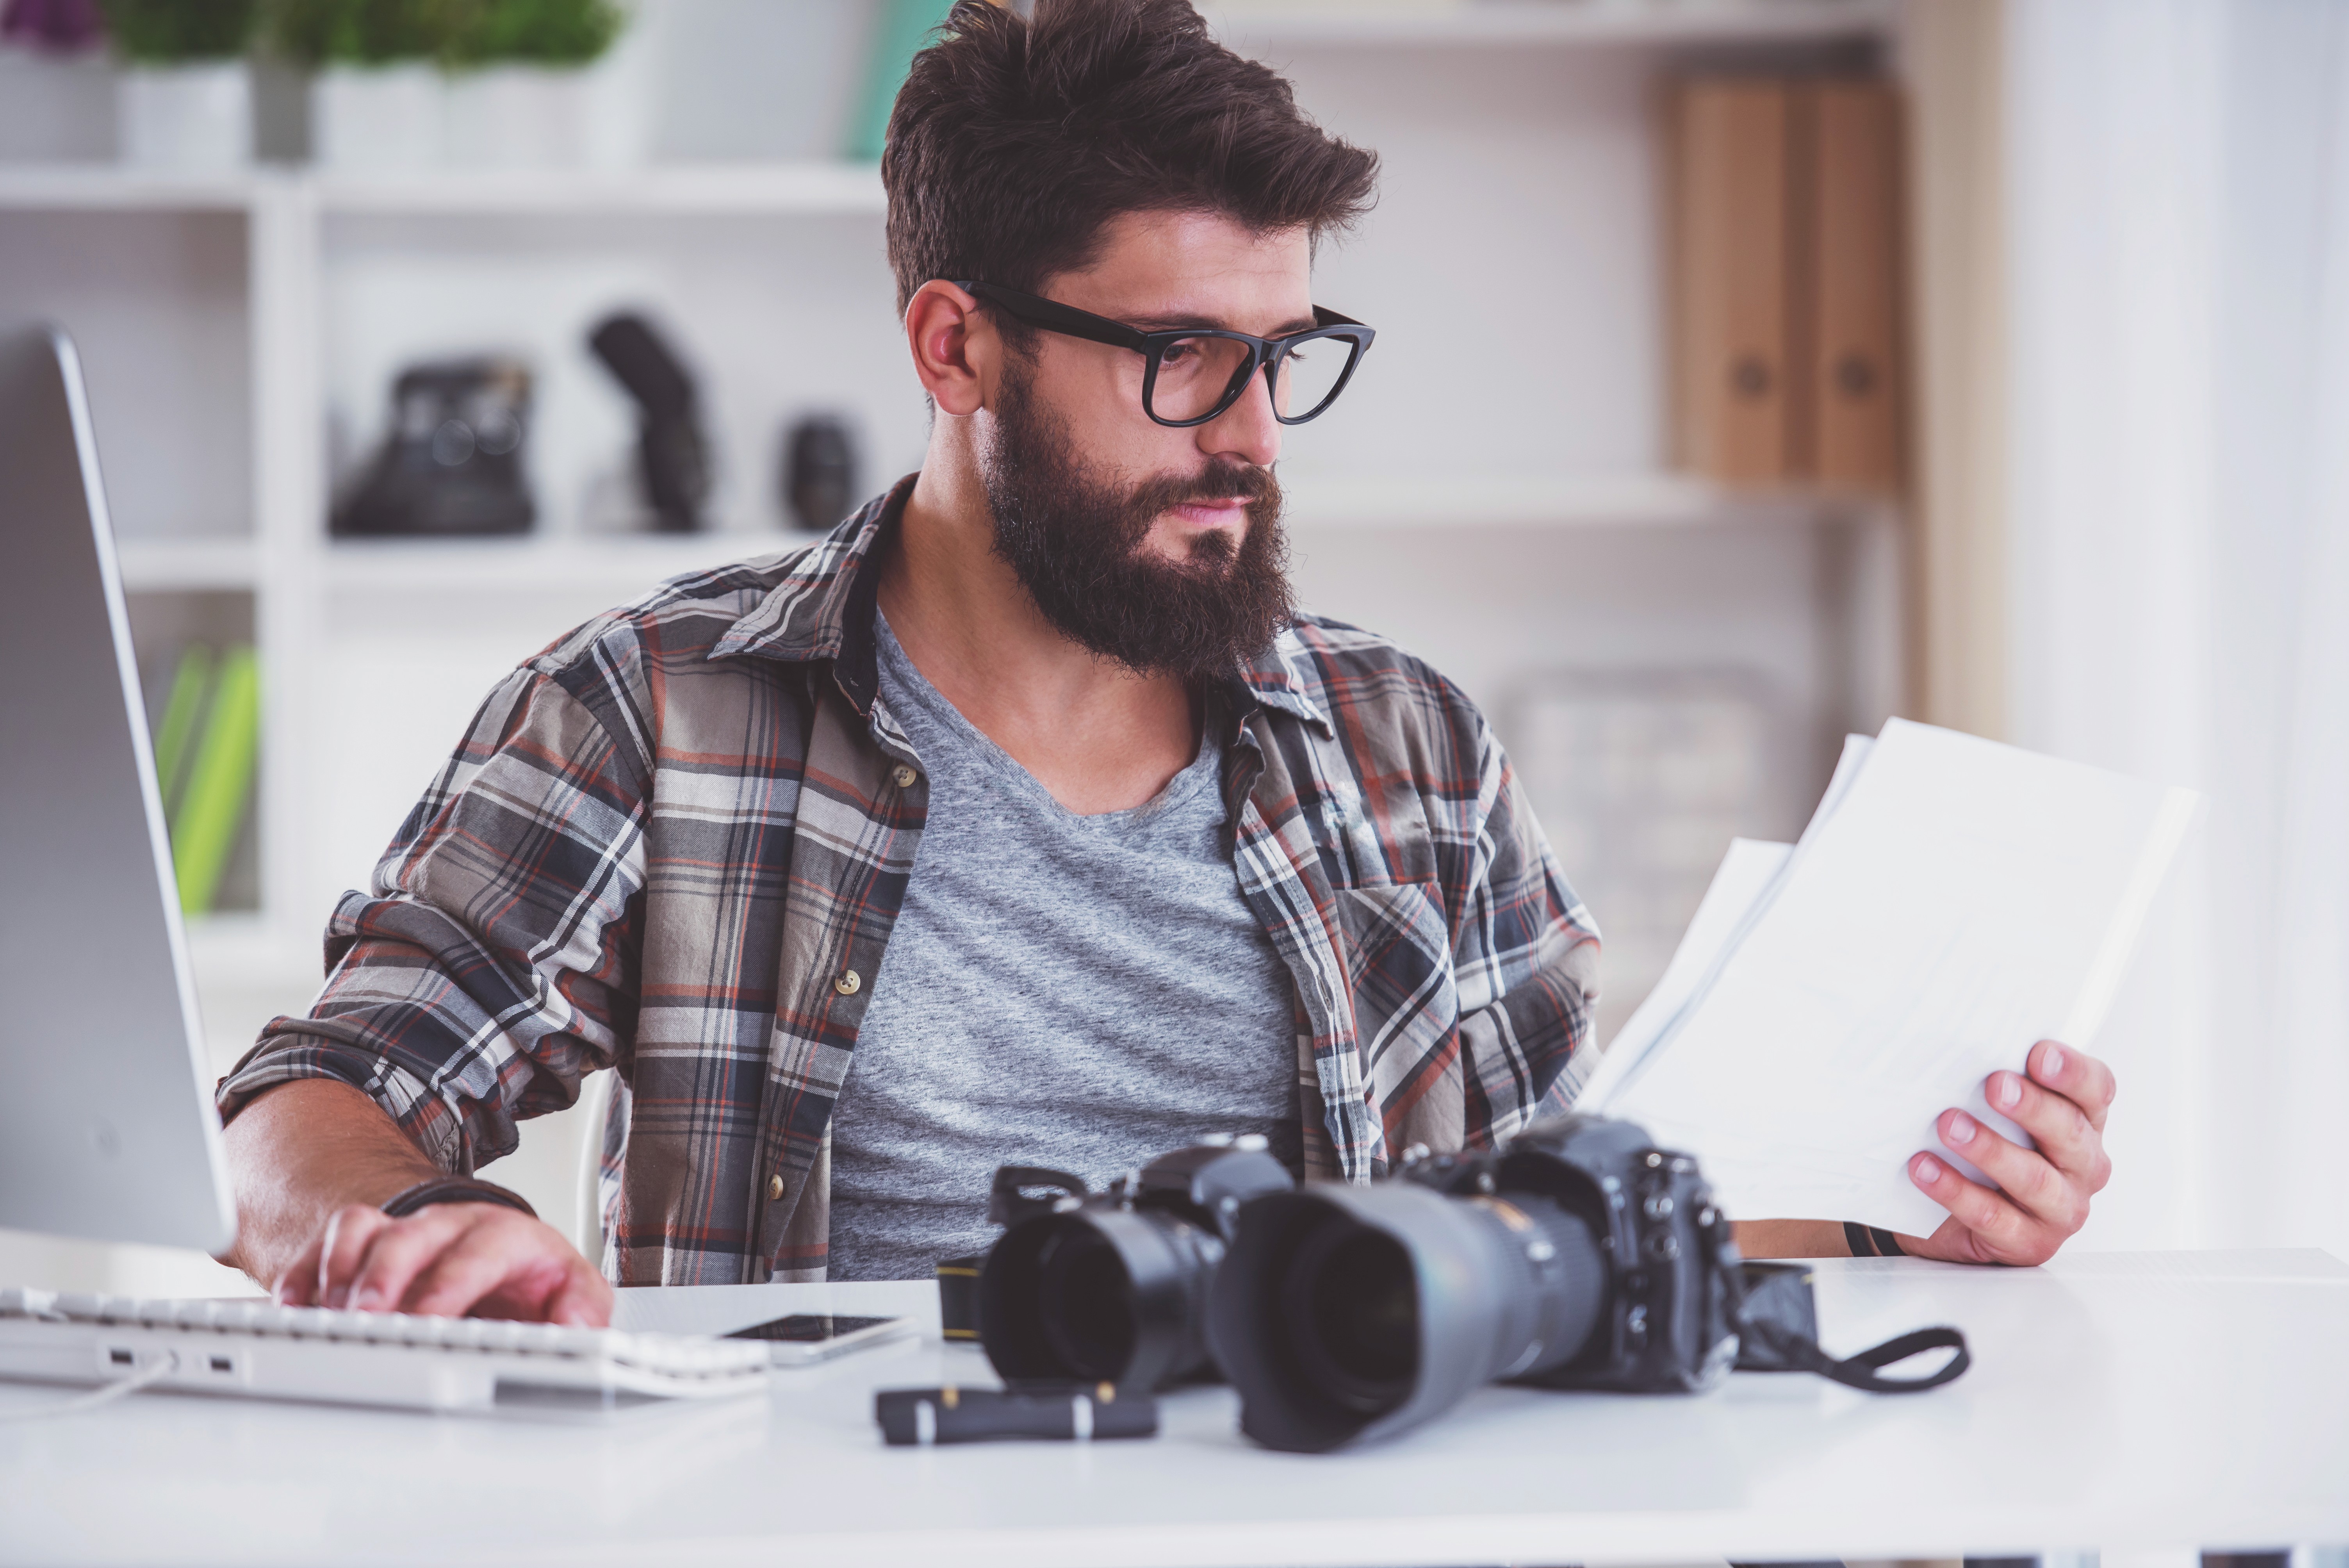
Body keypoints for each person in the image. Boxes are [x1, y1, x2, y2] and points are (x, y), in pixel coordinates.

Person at [217, 0, 2118, 1326]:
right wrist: (417, 1225)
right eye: (1180, 358)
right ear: (954, 347)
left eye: (1282, 355)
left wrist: (1896, 1202)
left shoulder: (1405, 748)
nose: (1252, 437)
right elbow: (314, 1095)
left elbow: (1570, 1213)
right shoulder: (657, 706)